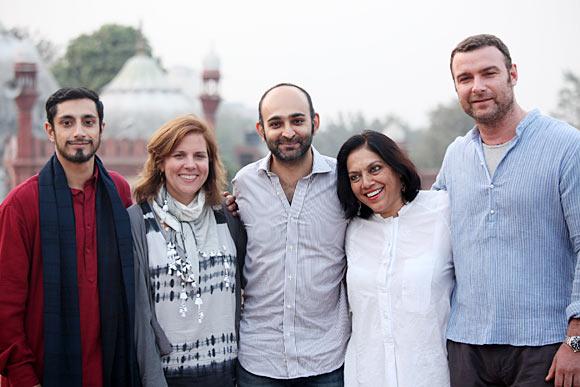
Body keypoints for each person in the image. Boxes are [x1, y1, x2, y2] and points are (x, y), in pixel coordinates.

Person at [434, 34, 580, 386]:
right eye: (465, 79)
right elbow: (424, 230)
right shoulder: (456, 155)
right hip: (467, 344)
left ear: (512, 74)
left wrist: (575, 342)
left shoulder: (566, 146)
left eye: (489, 73)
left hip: (544, 346)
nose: (478, 87)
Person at [0, 87, 139, 387]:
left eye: (88, 122)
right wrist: (26, 379)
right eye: (67, 122)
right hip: (43, 374)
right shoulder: (22, 204)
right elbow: (5, 306)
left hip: (111, 371)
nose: (79, 132)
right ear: (50, 131)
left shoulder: (118, 192)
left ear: (102, 128)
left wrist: (221, 204)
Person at [232, 83, 349, 386]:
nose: (287, 132)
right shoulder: (244, 185)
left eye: (297, 120)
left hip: (327, 360)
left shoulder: (343, 182)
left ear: (315, 122)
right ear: (261, 129)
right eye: (276, 123)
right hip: (259, 360)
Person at [129, 114, 244, 387]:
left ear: (210, 163)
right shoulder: (137, 222)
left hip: (226, 375)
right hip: (167, 376)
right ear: (160, 162)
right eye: (179, 155)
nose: (190, 165)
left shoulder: (227, 218)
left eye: (199, 156)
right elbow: (138, 314)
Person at [336, 130, 453, 387]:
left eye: (375, 169)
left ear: (397, 170)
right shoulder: (350, 230)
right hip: (366, 376)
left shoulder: (443, 210)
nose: (366, 182)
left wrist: (567, 343)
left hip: (430, 376)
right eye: (355, 177)